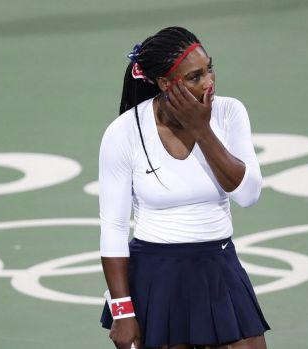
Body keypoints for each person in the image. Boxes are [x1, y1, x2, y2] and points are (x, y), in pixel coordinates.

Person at [98, 26, 270, 349]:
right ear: (165, 84)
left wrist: (202, 130)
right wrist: (122, 312)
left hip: (220, 271)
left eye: (209, 69)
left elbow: (248, 195)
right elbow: (114, 227)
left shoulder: (230, 113)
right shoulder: (123, 133)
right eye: (194, 77)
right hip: (157, 279)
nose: (209, 82)